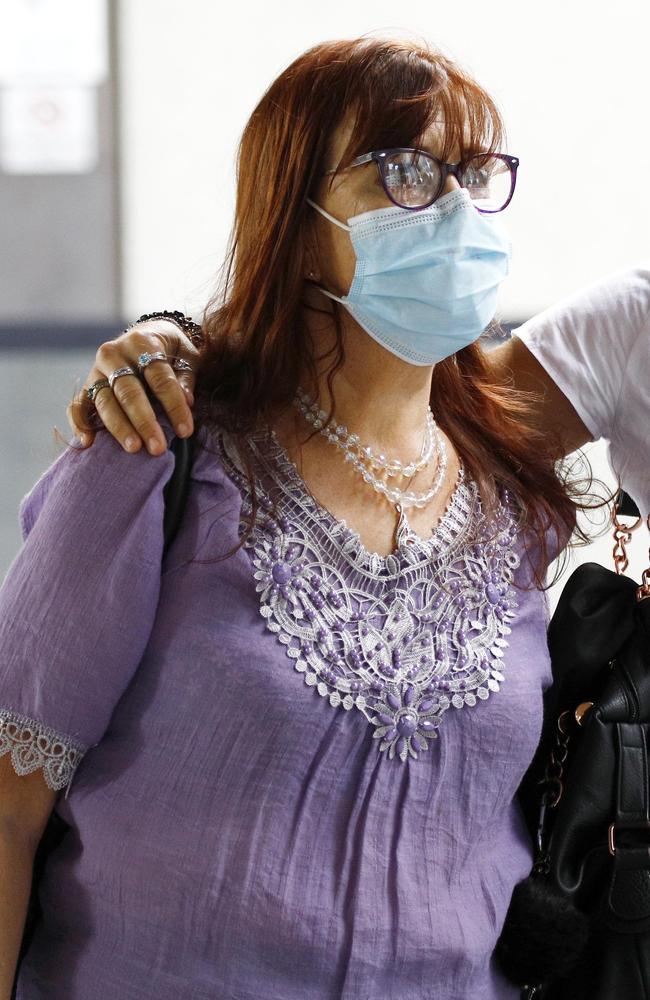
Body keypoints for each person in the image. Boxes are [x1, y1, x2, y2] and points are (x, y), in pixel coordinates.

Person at [1, 33, 645, 1000]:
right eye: (405, 171)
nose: (456, 211)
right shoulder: (151, 465)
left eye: (475, 174)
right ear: (296, 219)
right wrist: (173, 344)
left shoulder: (509, 507)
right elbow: (8, 813)